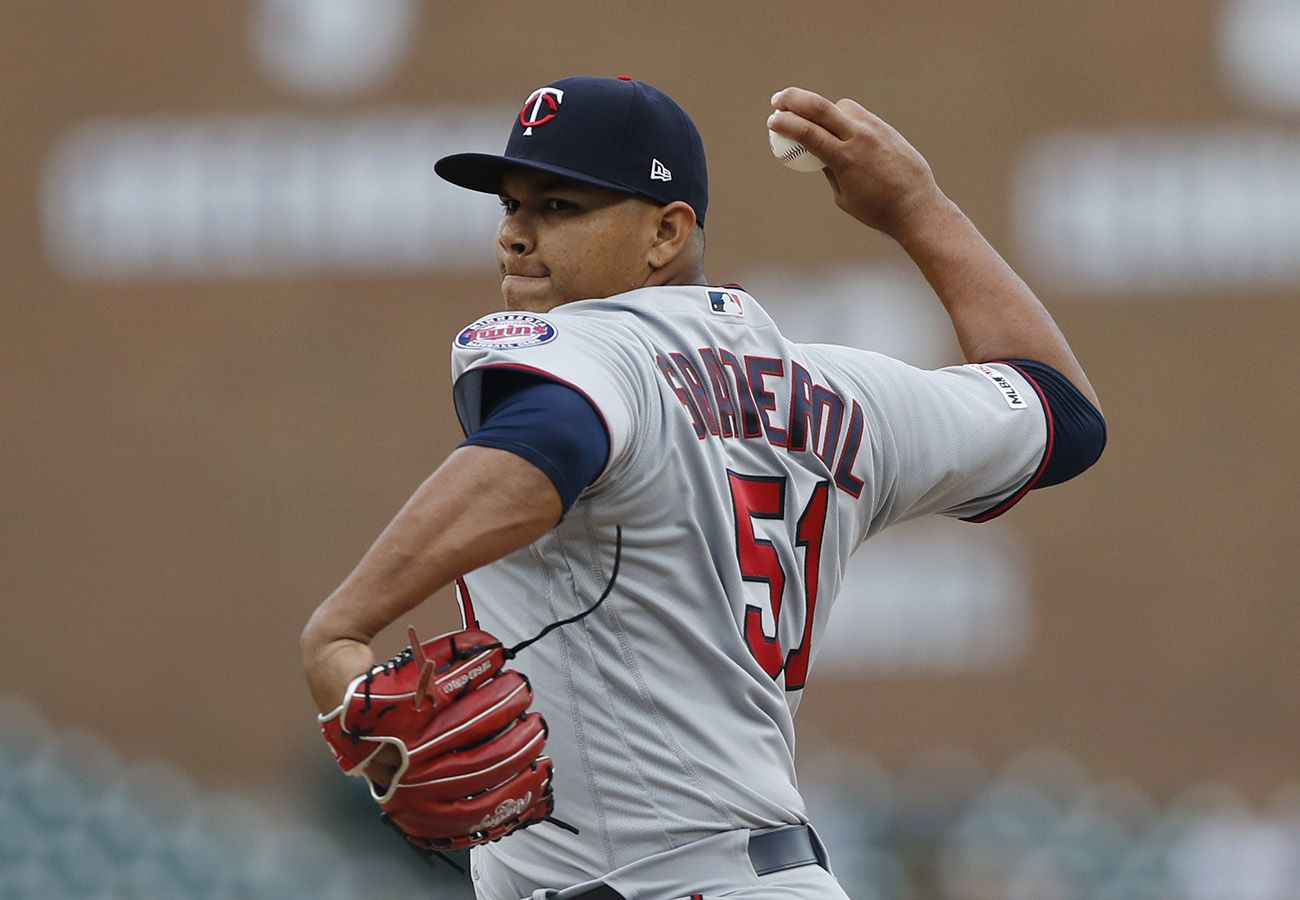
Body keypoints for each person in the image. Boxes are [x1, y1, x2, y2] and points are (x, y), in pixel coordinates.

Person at [301, 75, 1106, 900]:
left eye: (558, 207)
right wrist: (915, 206)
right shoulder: (839, 391)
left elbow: (549, 439)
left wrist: (343, 623)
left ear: (665, 232)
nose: (515, 235)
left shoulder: (590, 349)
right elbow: (1061, 409)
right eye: (509, 206)